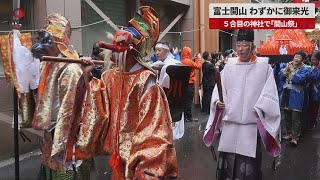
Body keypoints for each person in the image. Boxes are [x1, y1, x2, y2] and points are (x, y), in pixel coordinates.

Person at [80, 6, 178, 179]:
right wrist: (87, 74)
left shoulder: (146, 80)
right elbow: (101, 108)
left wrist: (145, 166)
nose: (112, 52)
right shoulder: (110, 76)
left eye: (119, 46)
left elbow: (154, 129)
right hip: (117, 155)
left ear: (132, 50)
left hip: (138, 161)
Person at [203, 29, 281, 180]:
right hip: (230, 124)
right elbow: (220, 90)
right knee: (228, 164)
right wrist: (218, 102)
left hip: (250, 126)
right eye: (238, 45)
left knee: (249, 166)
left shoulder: (264, 67)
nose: (240, 49)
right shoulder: (230, 66)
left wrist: (260, 108)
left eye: (244, 45)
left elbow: (269, 94)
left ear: (252, 47)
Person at [22, 13, 90, 179]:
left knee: (65, 171)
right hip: (50, 133)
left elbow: (71, 110)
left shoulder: (71, 68)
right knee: (50, 171)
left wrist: (61, 139)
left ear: (57, 41)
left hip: (66, 136)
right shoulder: (45, 64)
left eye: (49, 39)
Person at [280, 50, 311, 146]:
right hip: (286, 93)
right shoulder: (289, 65)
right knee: (287, 116)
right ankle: (289, 133)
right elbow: (281, 78)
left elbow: (298, 80)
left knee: (295, 117)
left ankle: (295, 137)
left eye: (299, 57)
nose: (296, 59)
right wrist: (286, 70)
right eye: (295, 56)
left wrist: (292, 69)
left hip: (297, 94)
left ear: (303, 59)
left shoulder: (307, 68)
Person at [181, 46, 202, 122]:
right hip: (189, 84)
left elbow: (190, 63)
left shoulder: (183, 60)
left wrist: (193, 58)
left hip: (184, 83)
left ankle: (184, 117)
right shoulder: (188, 61)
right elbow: (198, 66)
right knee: (189, 101)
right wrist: (199, 58)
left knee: (185, 100)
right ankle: (189, 117)